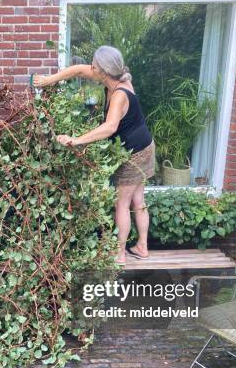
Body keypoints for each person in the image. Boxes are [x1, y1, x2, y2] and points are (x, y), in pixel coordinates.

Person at [33, 45, 155, 266]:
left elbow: (109, 127)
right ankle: (142, 247)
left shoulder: (119, 94)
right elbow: (79, 70)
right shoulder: (116, 78)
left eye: (94, 66)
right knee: (138, 200)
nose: (91, 68)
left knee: (122, 203)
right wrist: (49, 80)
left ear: (104, 71)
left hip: (135, 152)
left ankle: (120, 254)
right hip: (145, 145)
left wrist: (76, 140)